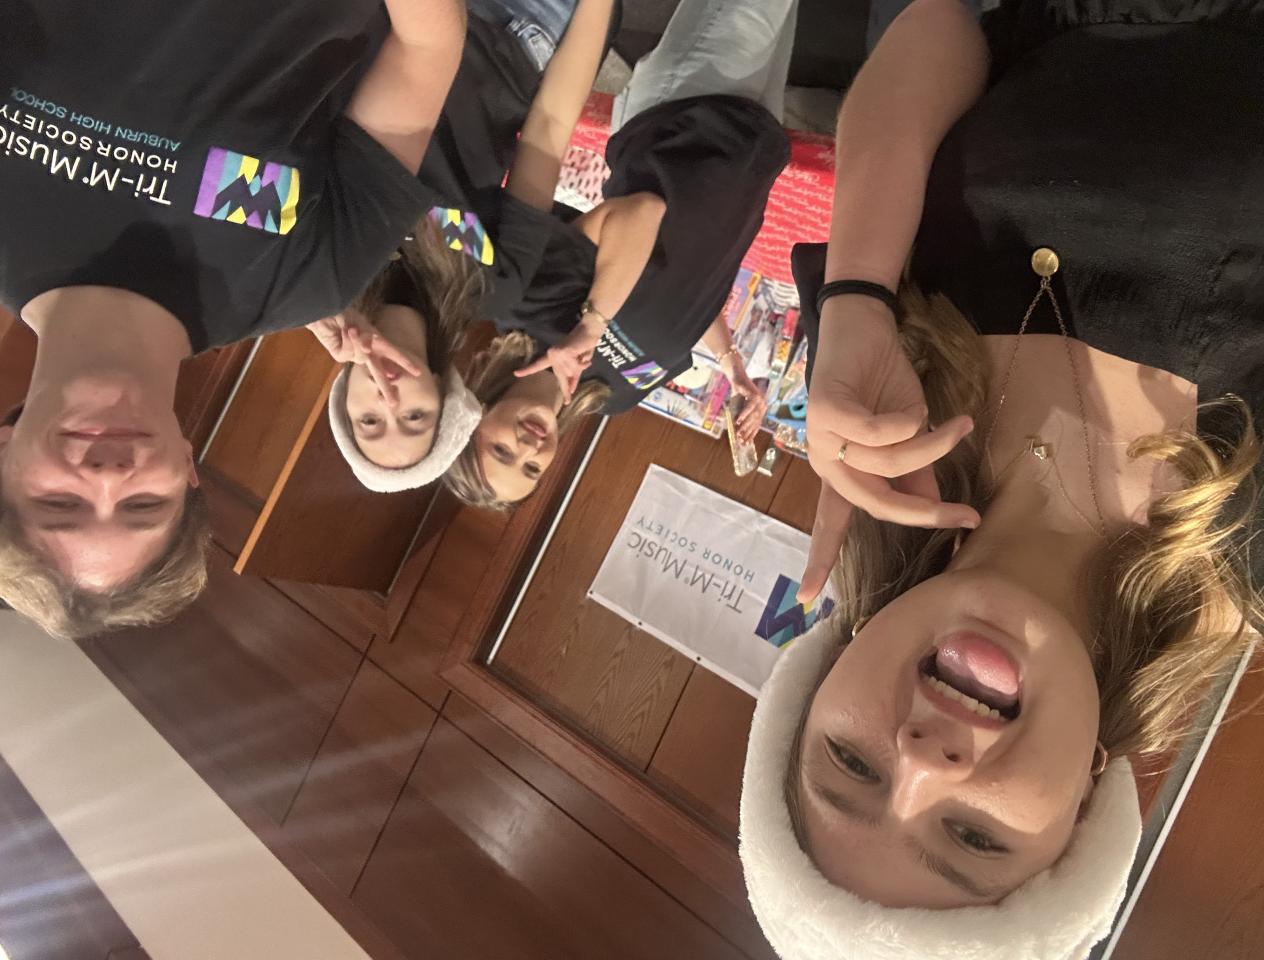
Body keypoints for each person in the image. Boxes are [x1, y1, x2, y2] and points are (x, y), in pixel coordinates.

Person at [737, 0, 1264, 957]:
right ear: (1084, 806)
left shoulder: (888, 416)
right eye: (974, 839)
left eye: (850, 764)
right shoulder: (1260, 550)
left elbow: (945, 30)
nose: (920, 761)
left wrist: (858, 296)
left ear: (820, 680)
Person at [0, 0, 466, 638]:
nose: (107, 480)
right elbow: (422, 54)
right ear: (189, 473)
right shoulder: (310, 282)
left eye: (60, 504)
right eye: (143, 506)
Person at [445, 0, 798, 508]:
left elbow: (641, 214)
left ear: (475, 416)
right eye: (531, 469)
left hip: (689, 118)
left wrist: (591, 324)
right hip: (746, 155)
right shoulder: (612, 399)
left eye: (500, 451)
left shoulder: (523, 307)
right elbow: (681, 297)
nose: (527, 448)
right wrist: (730, 362)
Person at [314, 0, 619, 493]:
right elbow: (547, 130)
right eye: (414, 417)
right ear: (442, 392)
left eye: (370, 421)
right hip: (520, 26)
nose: (389, 400)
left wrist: (307, 302)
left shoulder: (313, 260)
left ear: (345, 397)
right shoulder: (491, 287)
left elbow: (215, 176)